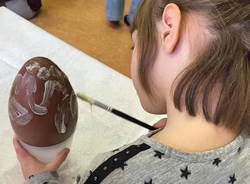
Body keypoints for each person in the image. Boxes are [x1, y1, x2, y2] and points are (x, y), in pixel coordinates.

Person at [14, 0, 250, 183]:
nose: (134, 53)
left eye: (134, 45)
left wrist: (39, 180)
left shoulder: (114, 174)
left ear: (169, 29)